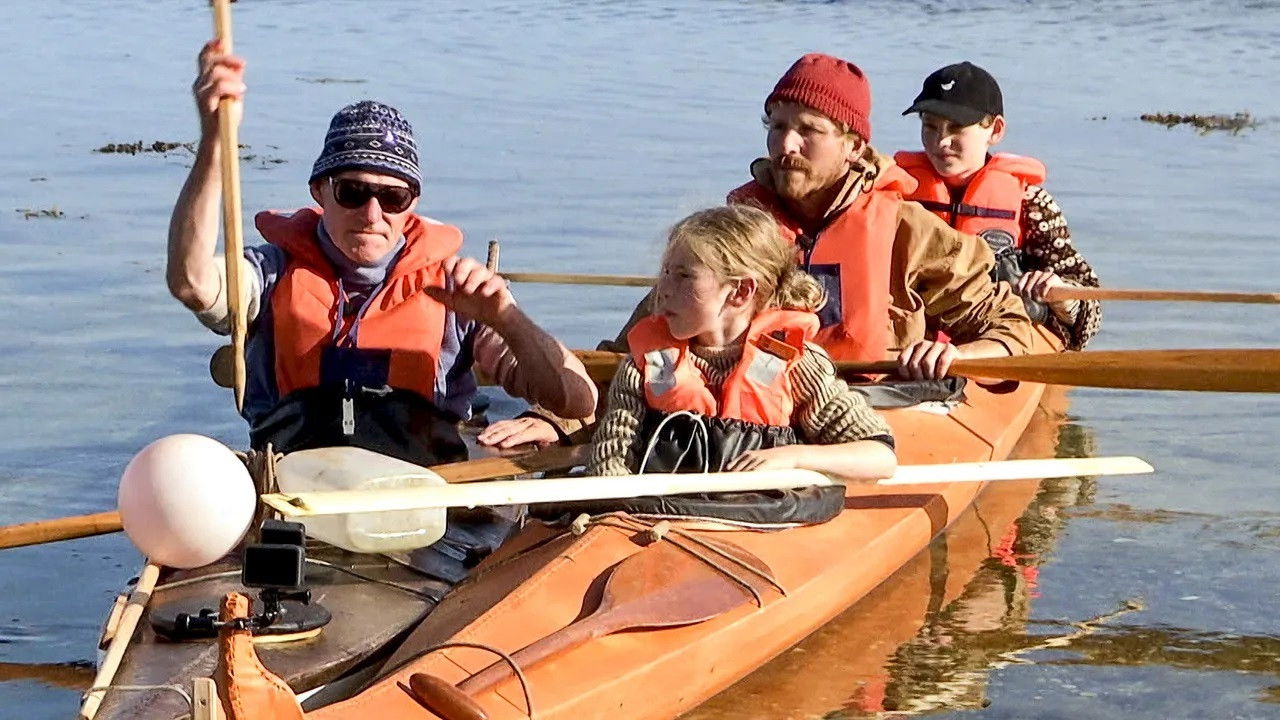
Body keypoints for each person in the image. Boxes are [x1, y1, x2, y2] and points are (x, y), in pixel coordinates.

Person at [166, 40, 597, 584]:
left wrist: (508, 317)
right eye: (352, 191)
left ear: (411, 203)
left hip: (421, 516)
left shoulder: (456, 290)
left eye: (392, 197)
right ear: (321, 191)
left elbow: (577, 398)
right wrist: (213, 142)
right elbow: (190, 281)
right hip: (291, 503)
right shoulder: (270, 271)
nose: (371, 214)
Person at [480, 52, 1032, 449]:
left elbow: (1010, 328)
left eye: (807, 131)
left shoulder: (909, 230)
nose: (785, 146)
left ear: (853, 144)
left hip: (865, 415)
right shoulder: (735, 234)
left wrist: (960, 357)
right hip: (750, 423)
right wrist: (560, 418)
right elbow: (641, 340)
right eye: (776, 126)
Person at [587, 204, 896, 482]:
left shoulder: (798, 364)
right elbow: (610, 462)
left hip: (761, 520)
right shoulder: (645, 366)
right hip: (663, 519)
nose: (663, 289)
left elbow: (879, 457)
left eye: (683, 276)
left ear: (741, 291)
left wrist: (794, 457)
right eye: (665, 272)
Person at [895, 61, 1101, 350]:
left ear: (995, 129)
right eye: (930, 127)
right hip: (913, 342)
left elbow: (1090, 308)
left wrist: (1063, 297)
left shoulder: (1032, 204)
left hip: (999, 339)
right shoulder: (896, 196)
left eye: (956, 128)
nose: (941, 142)